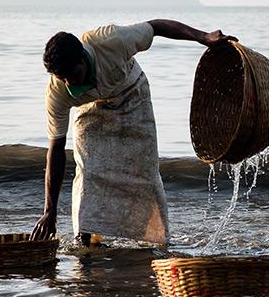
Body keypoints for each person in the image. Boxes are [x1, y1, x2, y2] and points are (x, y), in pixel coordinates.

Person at [31, 19, 235, 246]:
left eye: (72, 74)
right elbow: (56, 150)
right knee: (89, 171)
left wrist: (203, 37)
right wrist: (49, 212)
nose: (69, 82)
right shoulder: (57, 92)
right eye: (63, 79)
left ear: (82, 58)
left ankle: (155, 239)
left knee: (145, 172)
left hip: (131, 93)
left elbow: (156, 27)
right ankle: (85, 237)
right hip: (91, 109)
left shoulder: (111, 40)